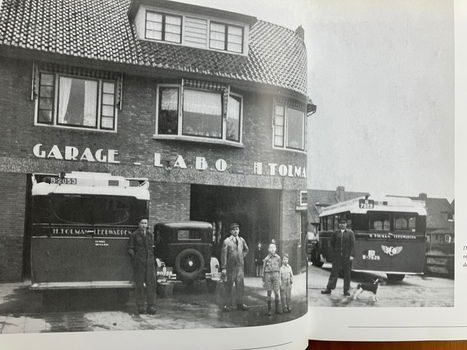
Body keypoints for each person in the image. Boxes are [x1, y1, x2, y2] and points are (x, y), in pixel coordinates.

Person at [128, 217, 157, 315]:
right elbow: (130, 248)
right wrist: (136, 259)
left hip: (149, 263)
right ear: (138, 224)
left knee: (151, 285)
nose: (144, 225)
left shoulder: (150, 235)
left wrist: (152, 259)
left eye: (146, 223)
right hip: (139, 263)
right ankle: (140, 307)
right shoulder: (134, 235)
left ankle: (151, 306)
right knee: (139, 285)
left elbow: (152, 248)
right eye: (142, 223)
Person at [321, 218, 355, 296]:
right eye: (341, 223)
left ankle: (346, 290)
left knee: (347, 274)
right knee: (334, 272)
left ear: (346, 224)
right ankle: (329, 288)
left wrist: (352, 255)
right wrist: (333, 253)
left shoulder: (350, 233)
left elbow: (353, 245)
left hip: (346, 257)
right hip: (337, 257)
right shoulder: (335, 233)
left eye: (344, 223)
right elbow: (331, 244)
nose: (342, 225)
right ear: (339, 224)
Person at [221, 222, 249, 312]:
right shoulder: (227, 241)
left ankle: (240, 304)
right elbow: (224, 255)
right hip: (230, 267)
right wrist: (224, 268)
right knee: (229, 286)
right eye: (234, 229)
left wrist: (241, 257)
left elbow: (246, 249)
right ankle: (226, 305)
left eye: (237, 229)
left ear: (239, 230)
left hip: (240, 267)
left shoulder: (241, 240)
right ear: (231, 231)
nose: (236, 231)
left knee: (240, 286)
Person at [262, 243, 281, 316]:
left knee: (276, 292)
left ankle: (277, 309)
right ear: (268, 249)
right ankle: (269, 310)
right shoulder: (266, 259)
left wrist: (279, 278)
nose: (272, 249)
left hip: (276, 274)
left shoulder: (278, 258)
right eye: (271, 248)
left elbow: (279, 267)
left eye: (274, 247)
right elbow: (263, 269)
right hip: (268, 275)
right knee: (269, 292)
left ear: (276, 249)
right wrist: (263, 279)